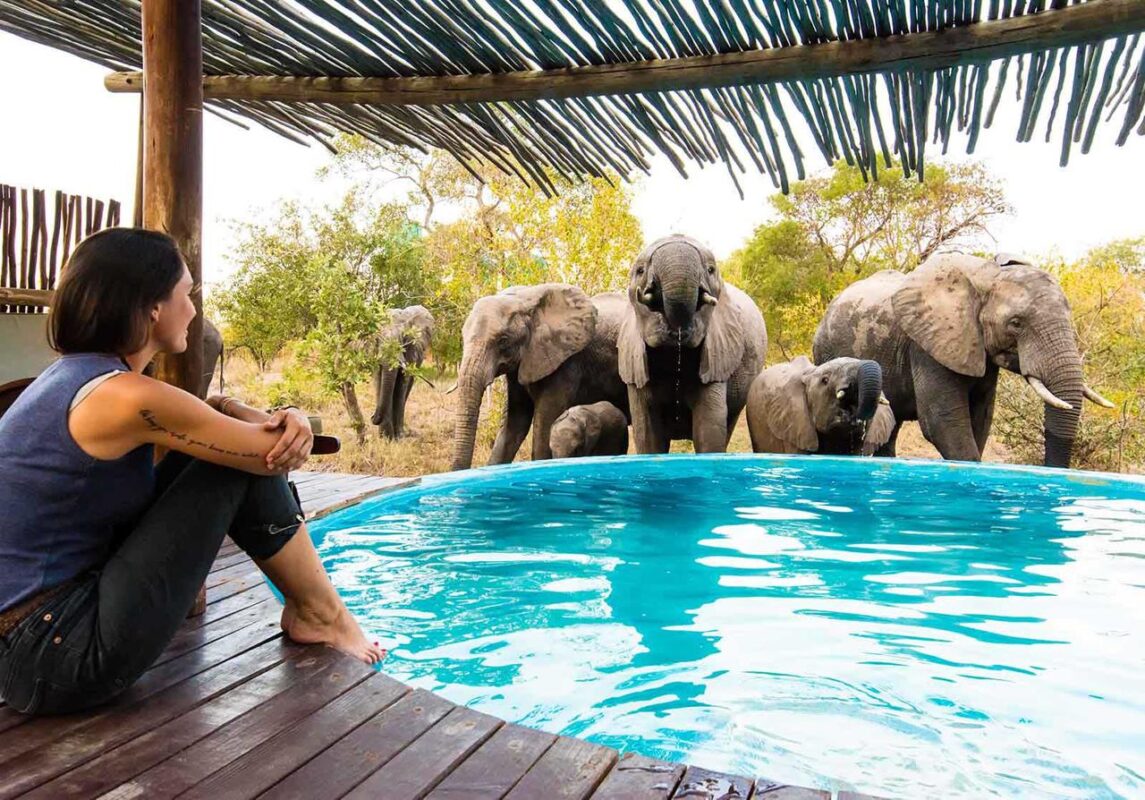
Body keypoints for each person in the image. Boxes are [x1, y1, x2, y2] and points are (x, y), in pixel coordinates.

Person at [0, 228, 385, 716]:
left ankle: (316, 612)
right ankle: (323, 615)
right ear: (152, 307)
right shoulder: (124, 396)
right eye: (187, 294)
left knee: (222, 456)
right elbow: (267, 452)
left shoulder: (77, 377)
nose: (193, 309)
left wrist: (233, 405)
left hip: (32, 639)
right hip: (55, 654)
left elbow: (212, 423)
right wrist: (290, 419)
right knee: (234, 465)